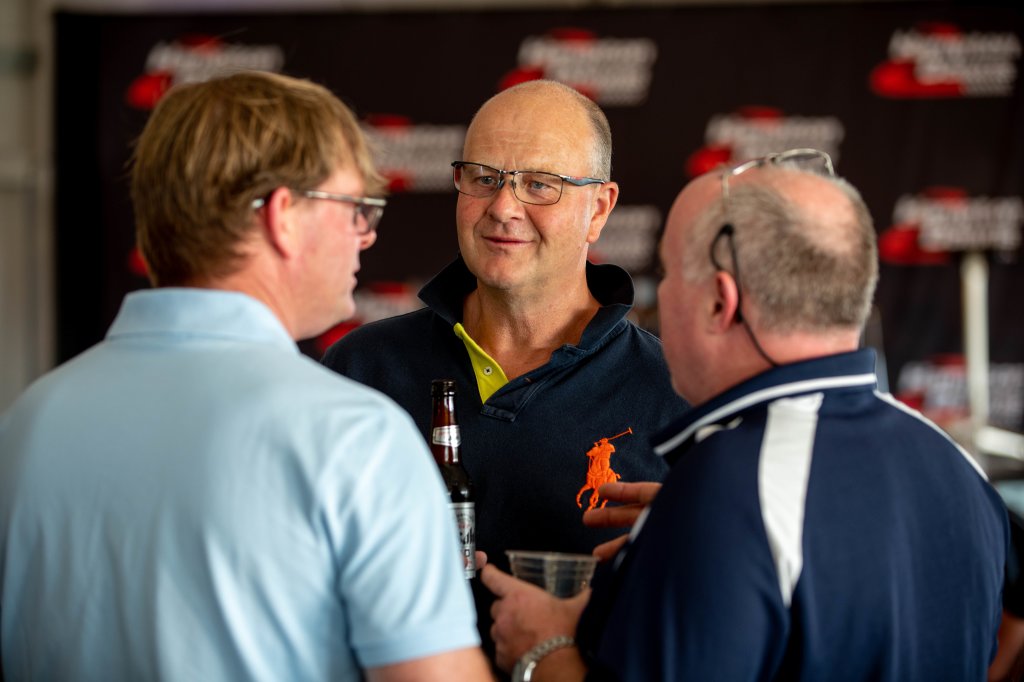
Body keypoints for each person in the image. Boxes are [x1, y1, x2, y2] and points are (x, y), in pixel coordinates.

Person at [0, 71, 491, 681]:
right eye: (355, 209)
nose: (365, 237)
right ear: (284, 217)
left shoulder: (28, 424)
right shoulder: (352, 439)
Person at [482, 149, 1009, 681]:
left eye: (668, 273)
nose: (660, 297)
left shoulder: (735, 483)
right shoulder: (960, 469)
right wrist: (705, 538)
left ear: (720, 302)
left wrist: (541, 650)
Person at [320, 79, 687, 660]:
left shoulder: (677, 395)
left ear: (599, 208)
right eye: (484, 178)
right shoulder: (362, 367)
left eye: (539, 184)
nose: (503, 207)